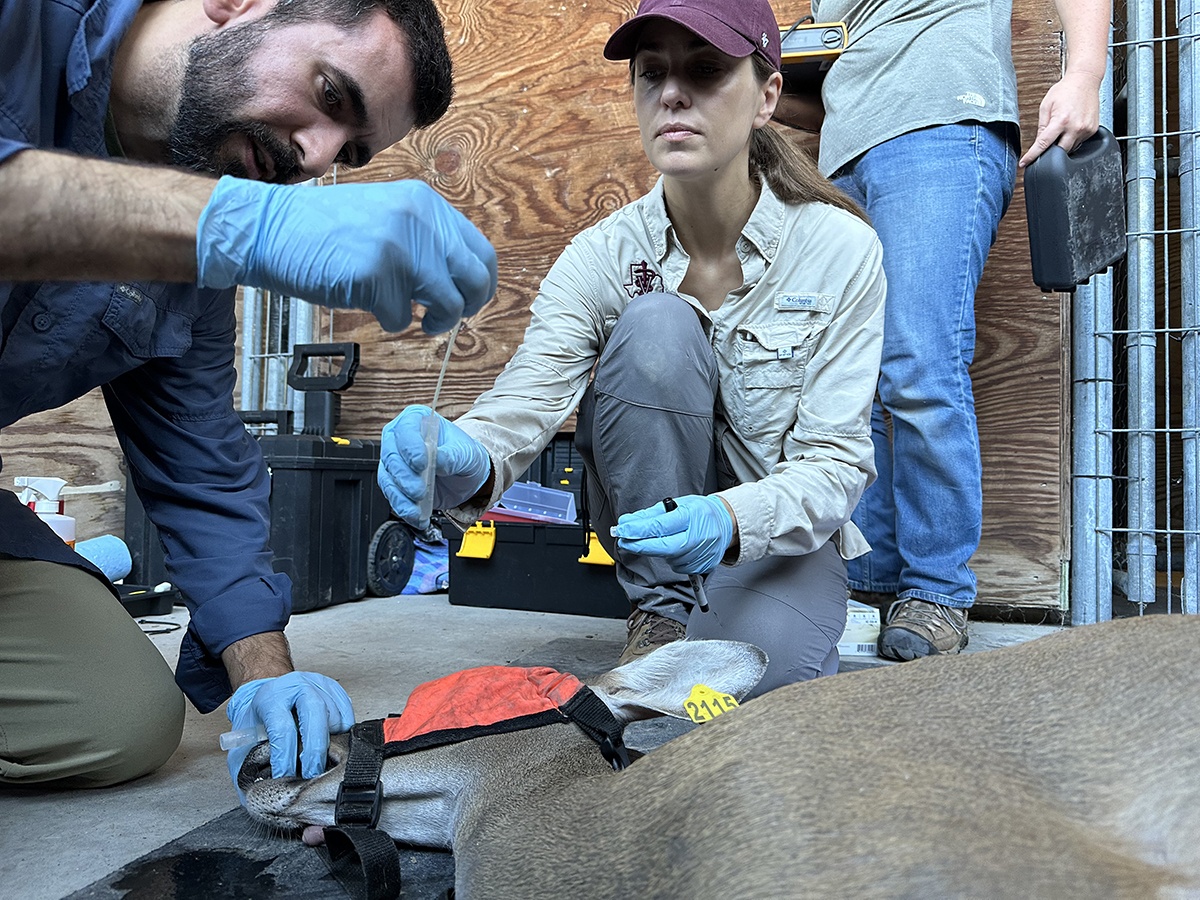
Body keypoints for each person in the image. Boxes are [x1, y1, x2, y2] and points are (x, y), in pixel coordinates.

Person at [0, 0, 497, 793]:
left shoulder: (196, 252)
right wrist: (240, 225)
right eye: (332, 96)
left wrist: (264, 670)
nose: (317, 158)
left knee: (116, 717)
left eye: (351, 152)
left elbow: (198, 460)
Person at [378, 0, 886, 695]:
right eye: (653, 74)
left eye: (706, 70)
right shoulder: (602, 255)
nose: (674, 93)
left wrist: (730, 517)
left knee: (748, 696)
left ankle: (718, 621)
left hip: (774, 539)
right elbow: (527, 398)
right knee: (656, 324)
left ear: (768, 96)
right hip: (650, 544)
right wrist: (466, 457)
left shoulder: (839, 249)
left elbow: (835, 464)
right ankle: (659, 613)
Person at [774, 0, 1109, 660]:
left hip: (940, 123)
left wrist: (1087, 73)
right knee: (853, 381)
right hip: (846, 158)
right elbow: (846, 72)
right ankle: (868, 581)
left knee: (918, 359)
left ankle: (935, 590)